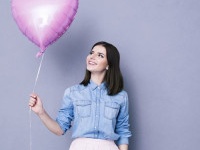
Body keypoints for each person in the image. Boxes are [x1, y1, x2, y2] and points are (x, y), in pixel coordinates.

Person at [29, 41, 132, 150]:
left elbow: (123, 132)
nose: (92, 57)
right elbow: (59, 129)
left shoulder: (121, 96)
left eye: (100, 55)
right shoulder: (72, 92)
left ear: (108, 65)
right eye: (91, 53)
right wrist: (41, 112)